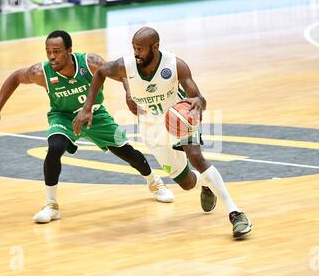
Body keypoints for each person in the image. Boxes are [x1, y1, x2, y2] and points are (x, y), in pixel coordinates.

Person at [73, 27, 252, 239]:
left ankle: (236, 213)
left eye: (140, 49)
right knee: (186, 184)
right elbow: (101, 72)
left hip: (179, 117)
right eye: (133, 48)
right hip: (151, 127)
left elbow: (199, 98)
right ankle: (206, 184)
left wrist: (199, 103)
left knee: (196, 157)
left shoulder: (176, 65)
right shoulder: (126, 65)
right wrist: (87, 107)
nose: (136, 53)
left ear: (155, 47)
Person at [0, 30, 174, 224]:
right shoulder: (40, 72)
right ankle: (51, 205)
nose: (52, 56)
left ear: (69, 50)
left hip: (95, 114)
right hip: (63, 117)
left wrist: (129, 94)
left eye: (57, 51)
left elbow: (122, 73)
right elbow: (16, 77)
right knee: (54, 149)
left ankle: (155, 182)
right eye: (48, 51)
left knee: (128, 153)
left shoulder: (90, 62)